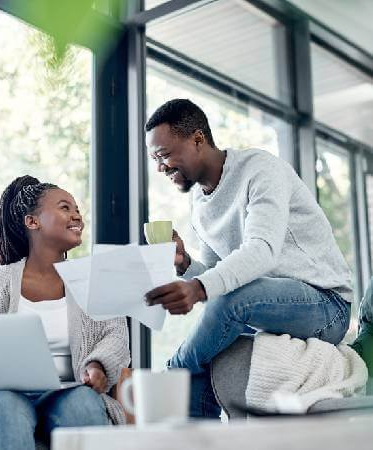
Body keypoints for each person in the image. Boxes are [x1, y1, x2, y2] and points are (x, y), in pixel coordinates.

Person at [144, 99, 352, 418]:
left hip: (326, 305)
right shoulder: (199, 204)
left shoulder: (260, 169)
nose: (160, 167)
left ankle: (172, 371)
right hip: (267, 307)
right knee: (200, 373)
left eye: (164, 155)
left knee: (225, 310)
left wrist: (198, 288)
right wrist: (187, 266)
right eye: (155, 159)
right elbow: (219, 275)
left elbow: (261, 250)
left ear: (198, 139)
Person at [0, 176, 130, 449]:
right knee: (7, 406)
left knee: (84, 404)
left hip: (66, 392)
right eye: (64, 207)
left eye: (77, 209)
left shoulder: (94, 284)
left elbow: (115, 335)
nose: (76, 215)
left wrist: (97, 365)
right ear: (32, 222)